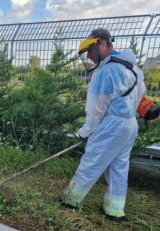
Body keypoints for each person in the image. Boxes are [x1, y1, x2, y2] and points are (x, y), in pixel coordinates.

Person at [61, 28, 146, 220]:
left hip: (111, 126)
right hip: (129, 124)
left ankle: (70, 200)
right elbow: (140, 94)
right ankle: (115, 210)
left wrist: (85, 132)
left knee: (91, 161)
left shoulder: (105, 72)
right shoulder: (132, 68)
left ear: (102, 43)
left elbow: (95, 110)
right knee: (119, 167)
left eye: (90, 50)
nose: (89, 56)